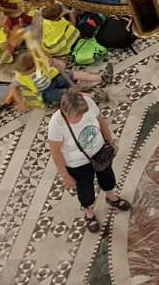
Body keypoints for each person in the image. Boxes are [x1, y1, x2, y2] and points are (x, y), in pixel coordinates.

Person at [47, 91, 130, 233]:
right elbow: (55, 152)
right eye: (77, 116)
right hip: (77, 163)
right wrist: (65, 176)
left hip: (99, 152)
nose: (80, 118)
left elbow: (101, 121)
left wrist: (110, 142)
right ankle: (89, 212)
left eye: (82, 114)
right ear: (64, 112)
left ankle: (111, 197)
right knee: (85, 190)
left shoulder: (87, 102)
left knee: (107, 177)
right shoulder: (56, 124)